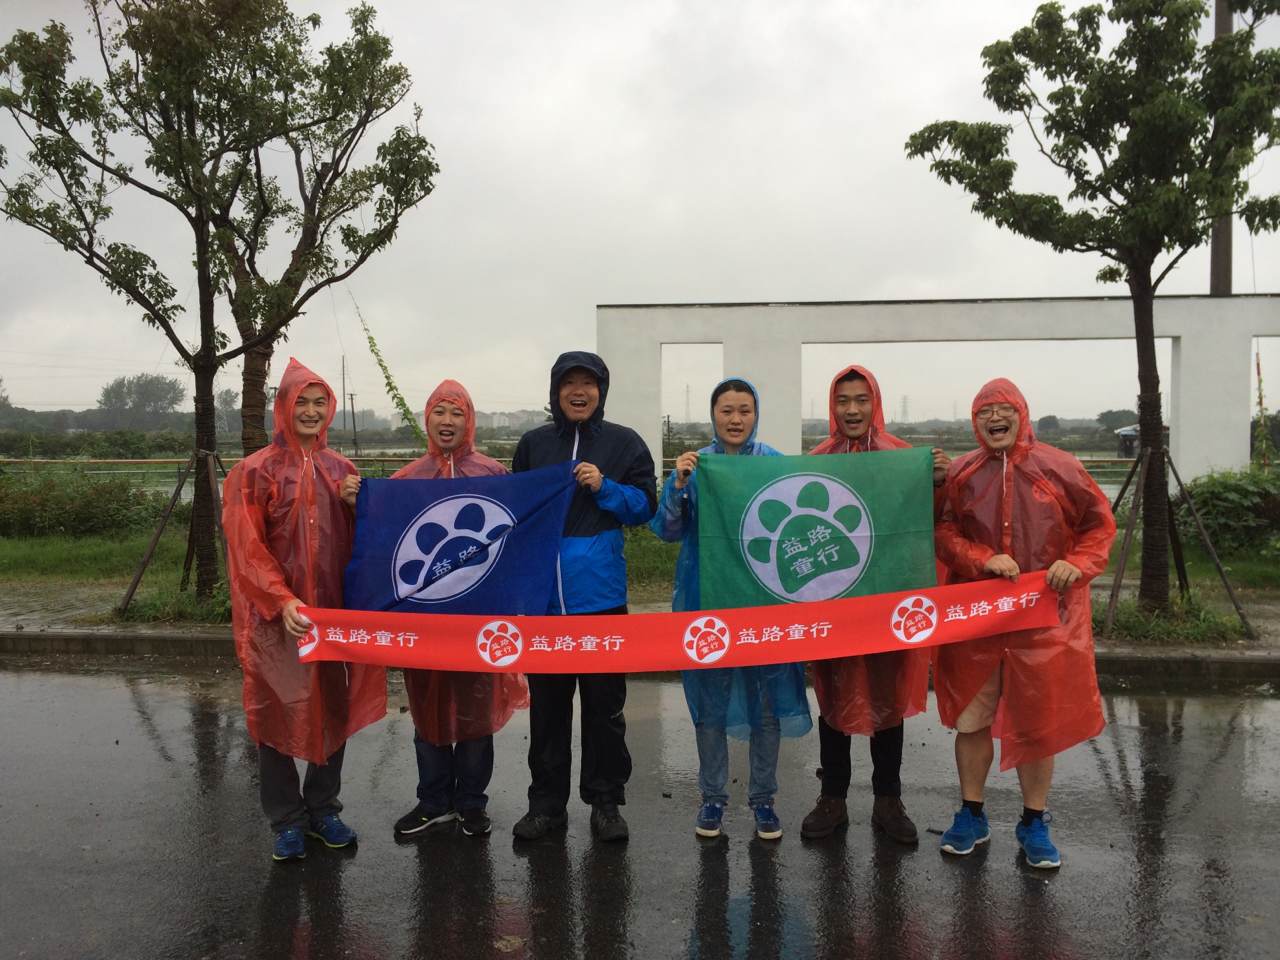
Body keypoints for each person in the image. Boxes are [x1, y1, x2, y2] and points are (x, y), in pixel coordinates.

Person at [934, 378, 1116, 869]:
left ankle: (1034, 820)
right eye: (984, 411)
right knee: (972, 718)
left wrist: (1076, 564)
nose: (995, 418)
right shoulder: (963, 473)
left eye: (1003, 409)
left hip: (1045, 621)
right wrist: (982, 559)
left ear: (1022, 412)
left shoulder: (1061, 467)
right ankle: (971, 813)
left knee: (1037, 722)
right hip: (978, 621)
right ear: (975, 421)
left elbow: (1098, 526)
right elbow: (945, 531)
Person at [223, 358, 387, 862]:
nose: (312, 411)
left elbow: (369, 546)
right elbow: (247, 549)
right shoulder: (254, 472)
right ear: (284, 407)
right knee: (275, 712)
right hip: (276, 619)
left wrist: (360, 506)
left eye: (320, 402)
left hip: (334, 617)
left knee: (331, 709)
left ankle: (323, 809)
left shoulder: (343, 471)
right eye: (302, 402)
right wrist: (282, 599)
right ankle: (286, 820)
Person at [651, 378, 812, 840]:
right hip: (707, 598)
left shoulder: (774, 464)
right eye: (727, 410)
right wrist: (678, 486)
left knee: (767, 704)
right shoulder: (696, 466)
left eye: (744, 410)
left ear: (756, 414)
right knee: (711, 702)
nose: (736, 419)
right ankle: (712, 797)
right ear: (713, 415)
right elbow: (667, 529)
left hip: (765, 601)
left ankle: (763, 799)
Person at [510, 351, 657, 842]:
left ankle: (606, 803)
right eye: (569, 383)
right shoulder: (533, 445)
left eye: (588, 383)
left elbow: (645, 506)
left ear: (601, 391)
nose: (579, 391)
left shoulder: (624, 442)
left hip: (601, 601)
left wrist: (605, 487)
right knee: (548, 713)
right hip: (545, 605)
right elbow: (516, 511)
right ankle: (546, 805)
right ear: (555, 391)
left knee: (604, 711)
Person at [374, 380, 530, 840]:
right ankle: (434, 800)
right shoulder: (406, 481)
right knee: (428, 708)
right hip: (425, 620)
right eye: (439, 412)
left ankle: (472, 803)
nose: (447, 421)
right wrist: (356, 502)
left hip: (478, 617)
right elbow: (380, 542)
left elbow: (520, 540)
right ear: (427, 419)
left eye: (456, 413)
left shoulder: (494, 475)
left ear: (469, 420)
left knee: (476, 710)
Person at [800, 365, 949, 844]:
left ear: (875, 403)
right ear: (832, 406)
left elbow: (935, 521)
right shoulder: (816, 462)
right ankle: (833, 797)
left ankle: (888, 800)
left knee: (887, 697)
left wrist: (938, 482)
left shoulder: (903, 458)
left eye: (861, 400)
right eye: (843, 400)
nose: (852, 409)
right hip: (833, 602)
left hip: (889, 599)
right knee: (833, 694)